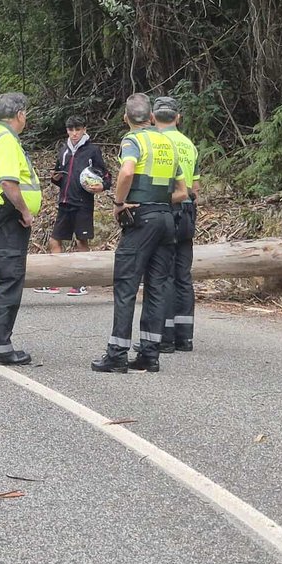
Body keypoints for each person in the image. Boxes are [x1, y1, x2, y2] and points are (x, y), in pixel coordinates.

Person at [92, 93, 187, 374]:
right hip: (166, 219)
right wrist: (158, 201)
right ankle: (150, 354)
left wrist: (120, 203)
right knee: (157, 287)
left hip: (141, 220)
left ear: (125, 118)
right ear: (152, 117)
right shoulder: (168, 144)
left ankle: (117, 354)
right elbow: (183, 192)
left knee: (126, 285)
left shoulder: (132, 140)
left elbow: (126, 172)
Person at [0, 93, 42, 365]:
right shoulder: (5, 140)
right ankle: (0, 346)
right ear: (21, 114)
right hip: (6, 219)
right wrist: (25, 211)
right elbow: (9, 183)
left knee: (1, 280)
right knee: (9, 281)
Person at [35, 115, 111, 296]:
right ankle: (55, 281)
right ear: (67, 131)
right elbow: (58, 175)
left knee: (81, 241)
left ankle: (81, 283)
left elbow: (106, 176)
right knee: (54, 241)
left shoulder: (92, 150)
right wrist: (56, 179)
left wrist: (102, 186)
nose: (74, 133)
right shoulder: (64, 150)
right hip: (64, 202)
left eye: (78, 129)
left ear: (84, 129)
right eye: (71, 130)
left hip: (83, 203)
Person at [148, 96, 198, 352]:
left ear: (153, 117)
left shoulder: (156, 143)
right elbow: (195, 186)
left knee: (163, 273)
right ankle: (185, 337)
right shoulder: (189, 145)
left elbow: (157, 183)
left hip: (166, 209)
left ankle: (164, 337)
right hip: (189, 211)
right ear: (178, 117)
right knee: (183, 274)